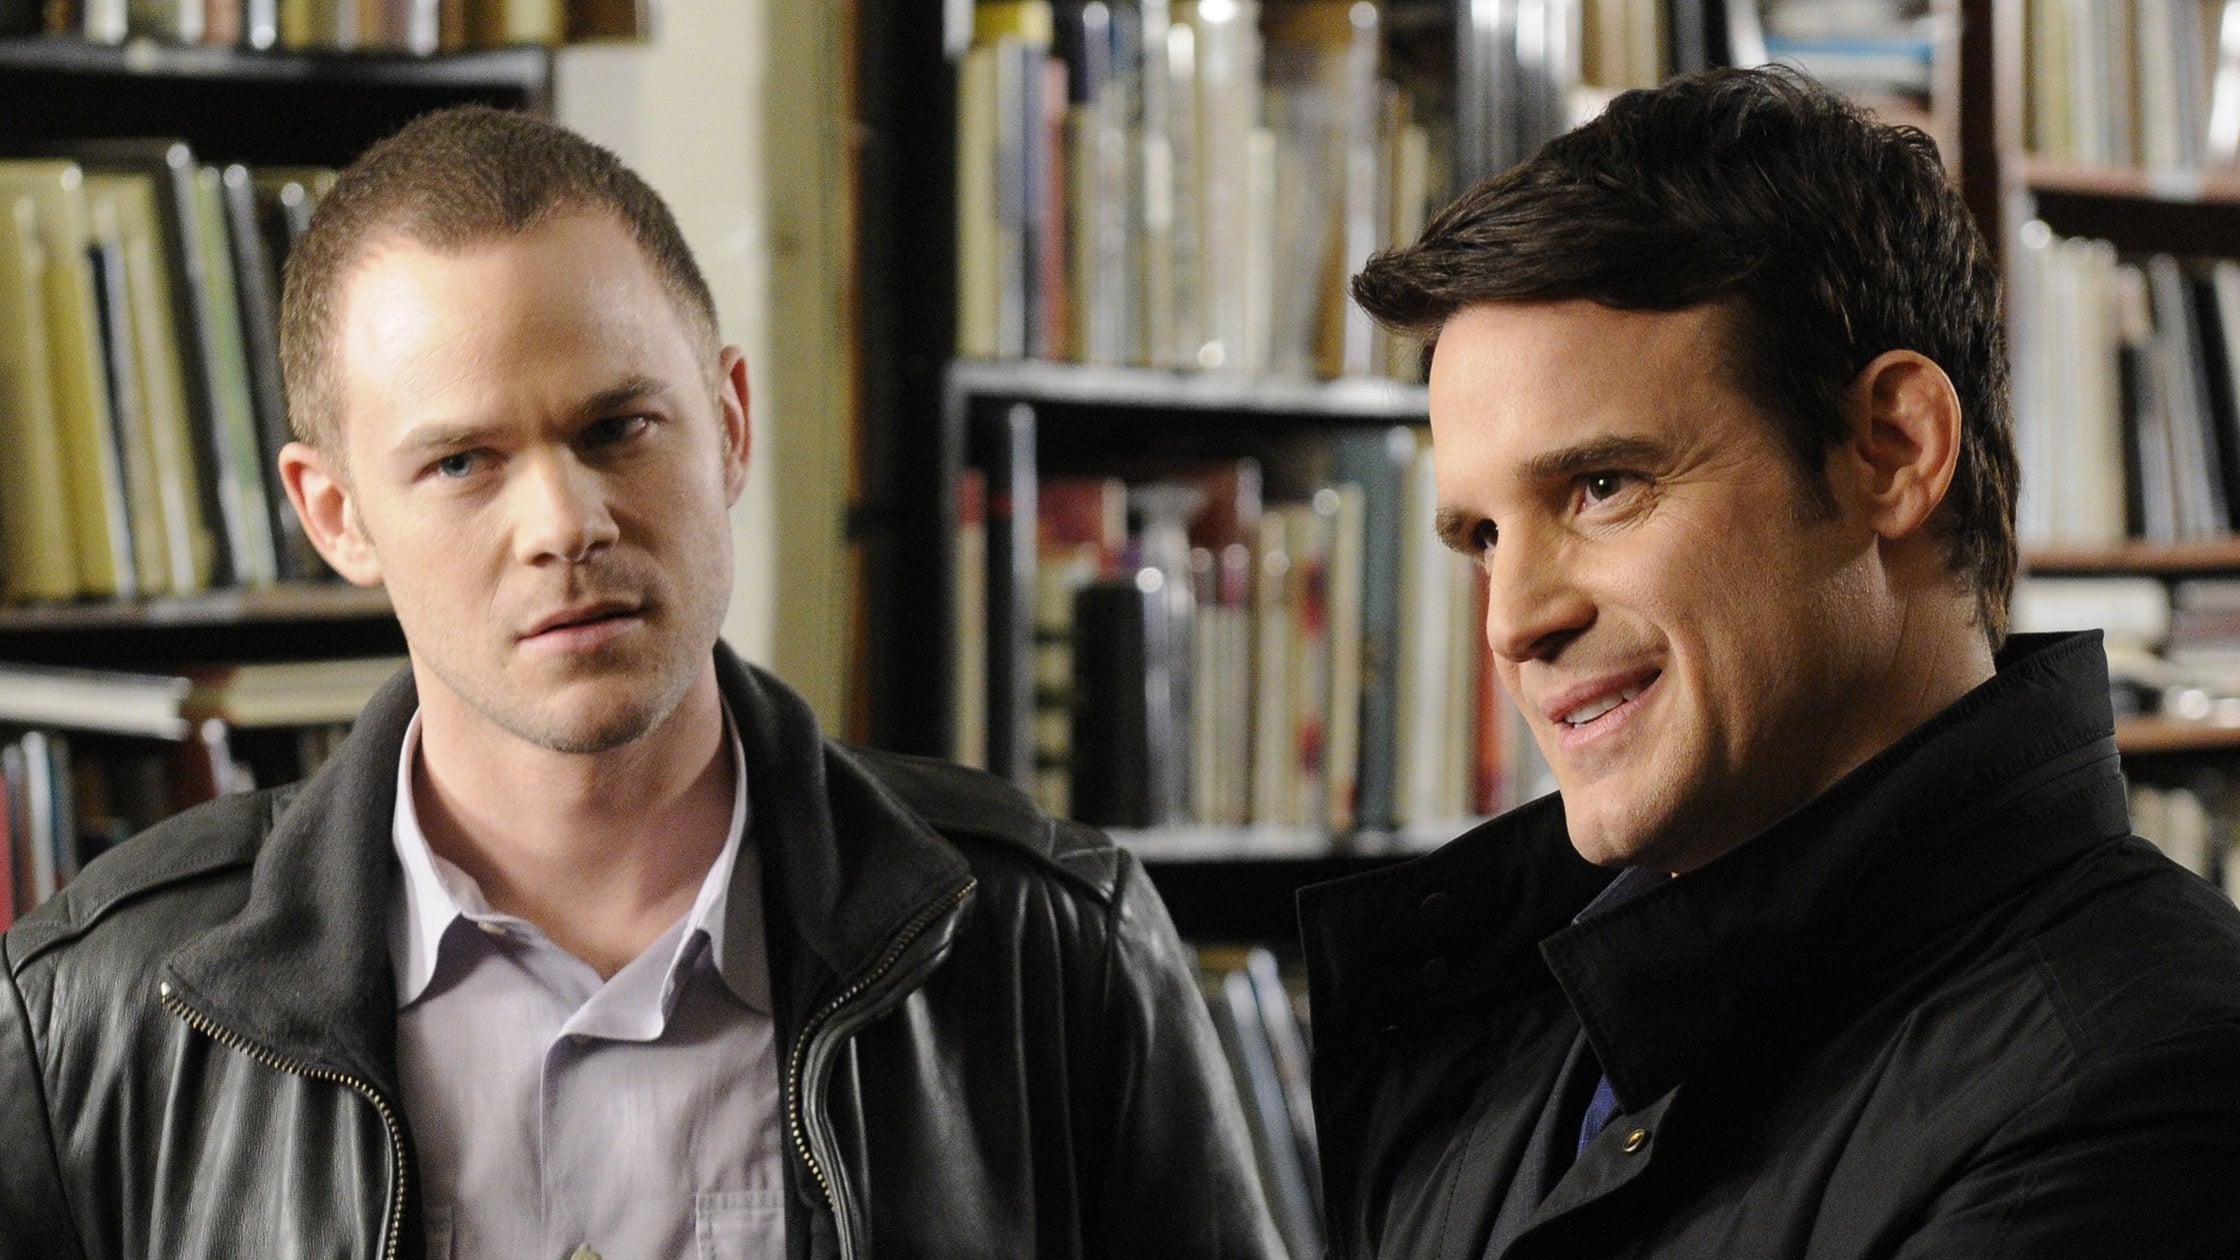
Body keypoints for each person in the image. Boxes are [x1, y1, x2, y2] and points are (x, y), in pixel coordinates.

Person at [0, 106, 1283, 1260]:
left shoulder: (1053, 949)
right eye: (461, 463)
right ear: (334, 515)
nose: (565, 523)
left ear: (727, 424)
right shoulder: (87, 1019)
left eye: (617, 428)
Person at [1303, 66, 2240, 1259]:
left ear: (1891, 449)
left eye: (1601, 486)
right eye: (1481, 537)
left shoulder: (2145, 1080)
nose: (1511, 620)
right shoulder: (1516, 1031)